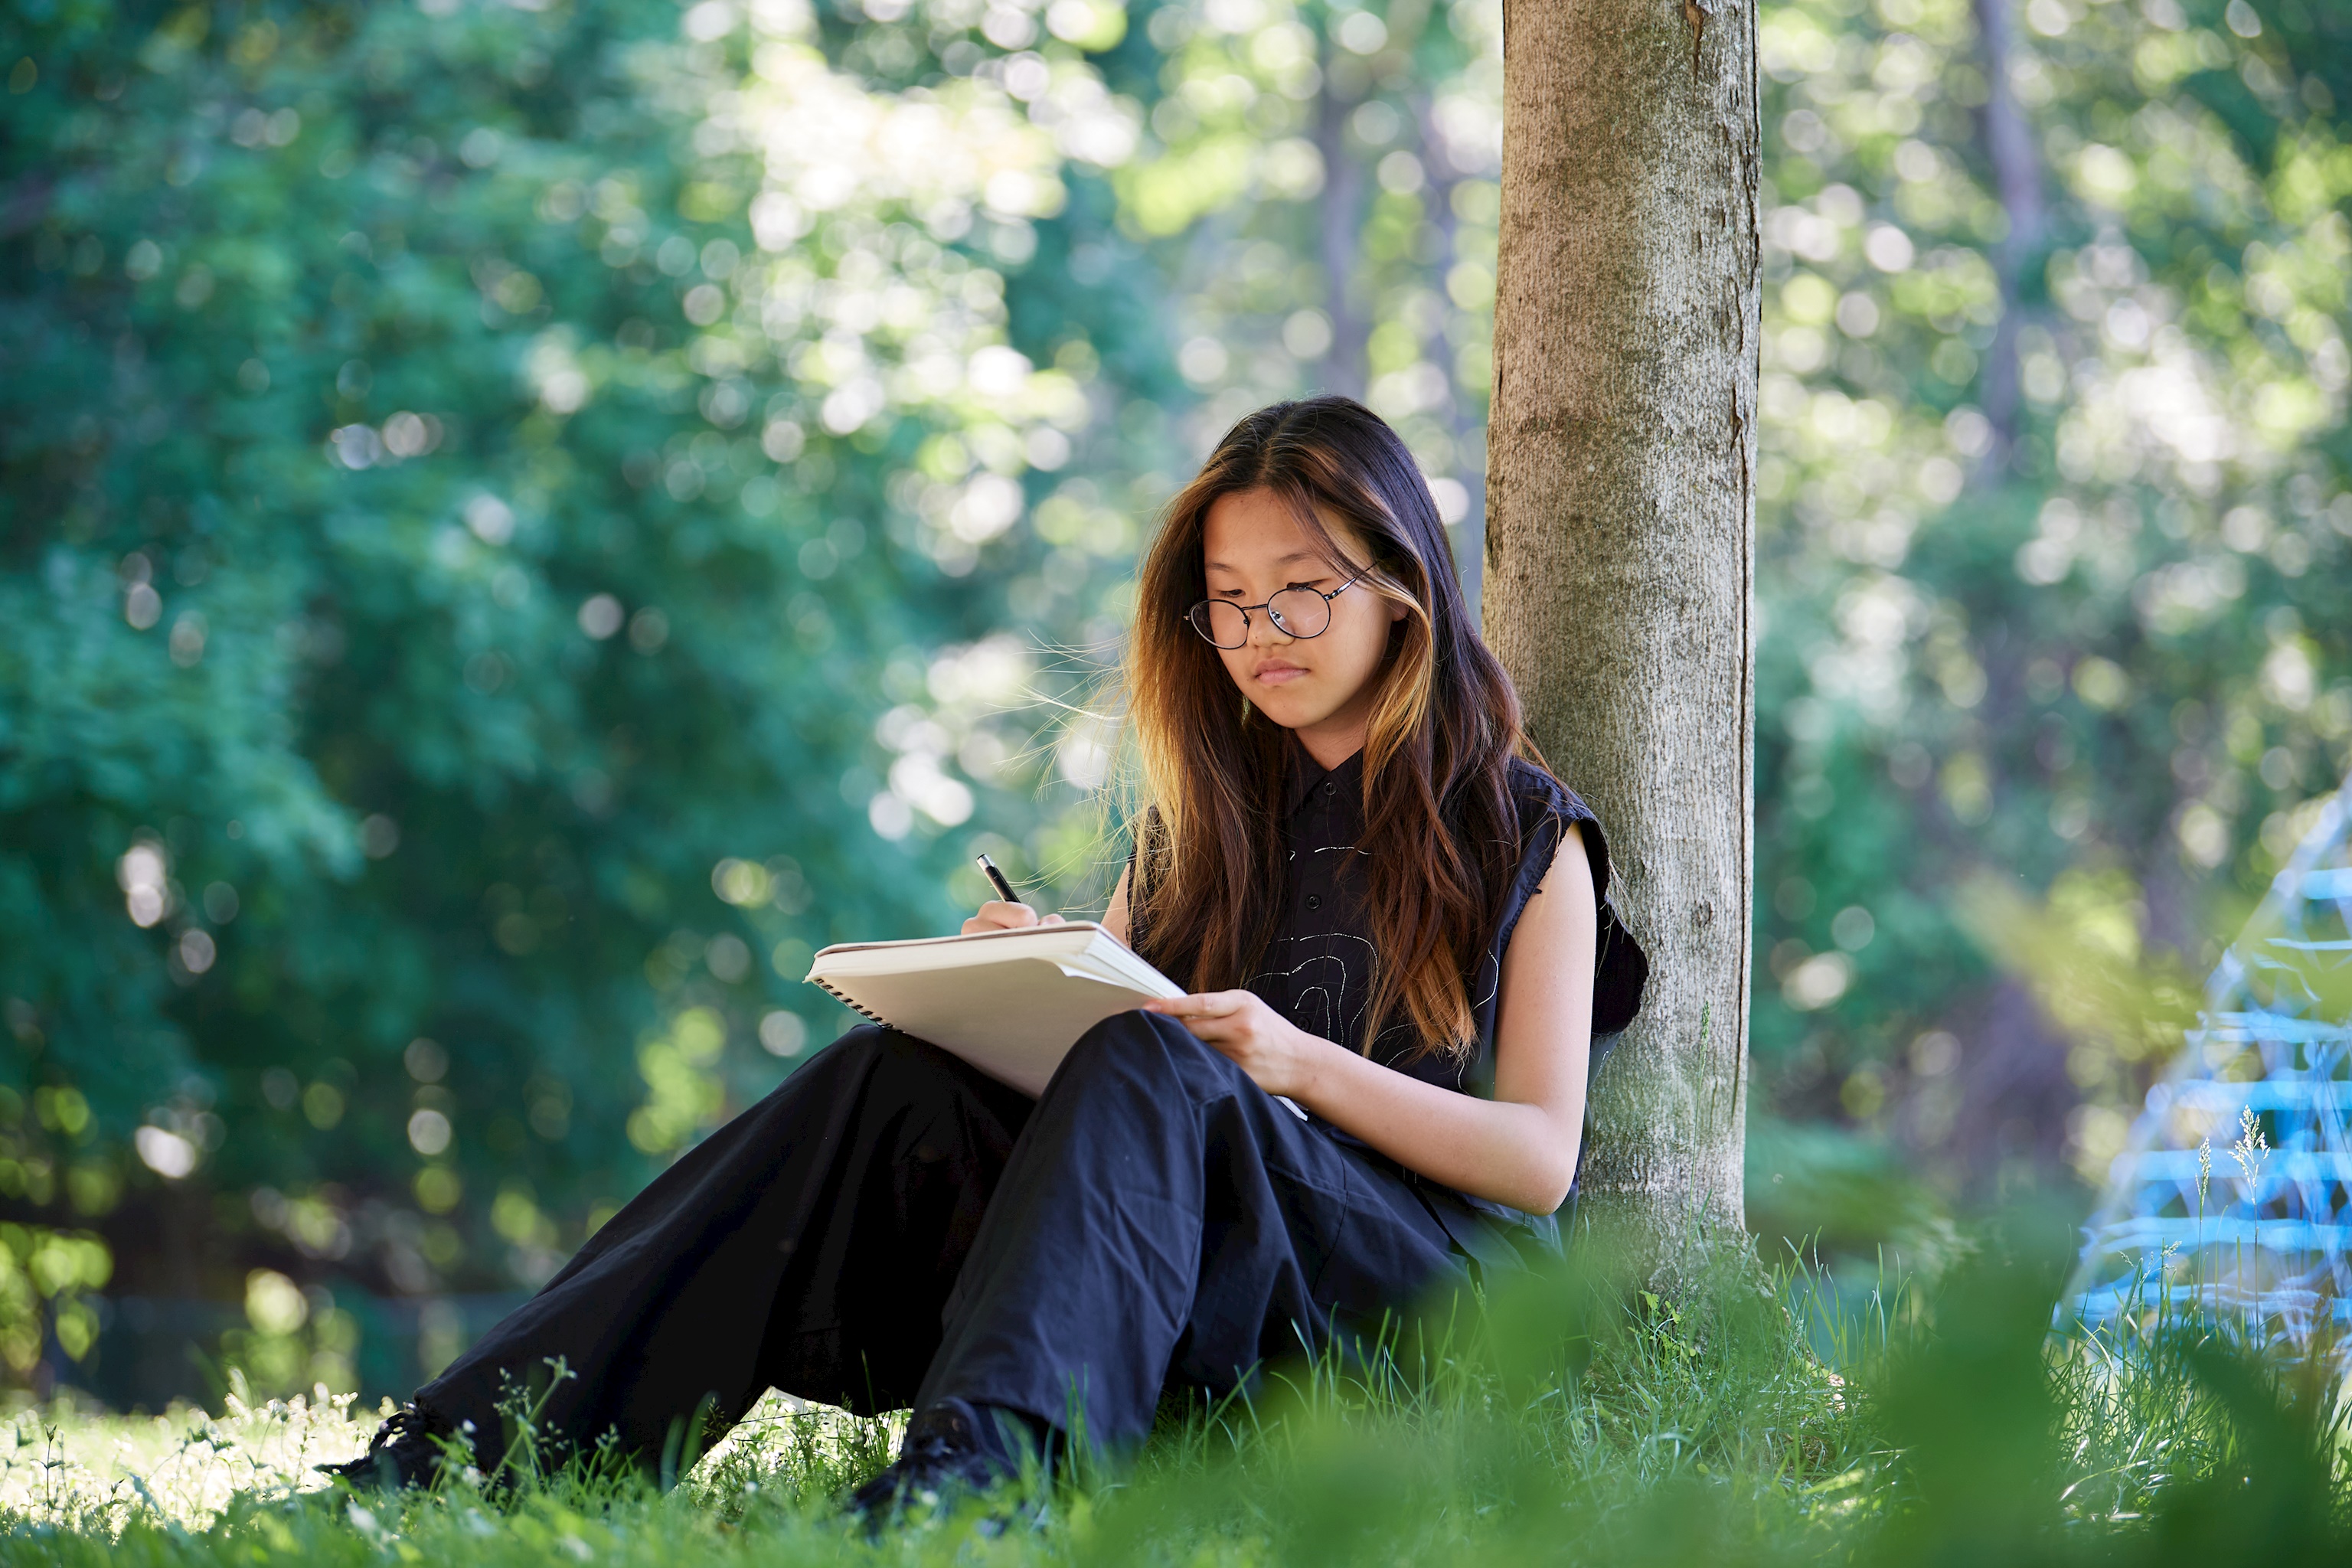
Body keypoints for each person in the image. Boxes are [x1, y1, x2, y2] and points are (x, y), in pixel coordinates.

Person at [328, 396, 1646, 1516]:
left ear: (1404, 592)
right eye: (1230, 604)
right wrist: (1030, 981)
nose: (1260, 638)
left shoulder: (1524, 831)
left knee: (1152, 1054)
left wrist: (1294, 1066)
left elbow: (1536, 1163)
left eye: (1303, 594)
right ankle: (463, 1450)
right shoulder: (1198, 830)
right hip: (1210, 1272)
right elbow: (1103, 1089)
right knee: (887, 1080)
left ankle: (980, 1475)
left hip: (1429, 1302)